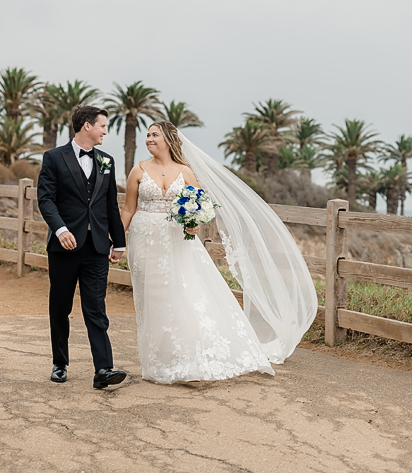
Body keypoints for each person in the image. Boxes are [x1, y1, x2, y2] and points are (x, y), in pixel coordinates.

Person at [121, 121, 317, 384]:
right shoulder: (138, 170)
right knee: (151, 298)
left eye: (154, 135)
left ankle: (185, 357)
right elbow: (128, 210)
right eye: (147, 135)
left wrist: (194, 225)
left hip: (176, 243)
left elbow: (198, 208)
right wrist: (117, 243)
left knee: (181, 294)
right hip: (144, 241)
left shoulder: (186, 172)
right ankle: (158, 360)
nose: (148, 139)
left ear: (168, 139)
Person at [37, 105, 128, 389]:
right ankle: (60, 363)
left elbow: (110, 204)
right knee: (60, 306)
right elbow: (46, 199)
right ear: (87, 126)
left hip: (98, 247)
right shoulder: (54, 157)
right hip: (64, 246)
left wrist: (119, 243)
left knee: (96, 308)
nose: (105, 132)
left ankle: (103, 369)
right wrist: (60, 229)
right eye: (102, 126)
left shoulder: (107, 161)